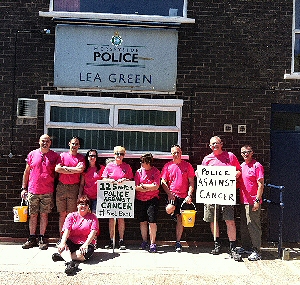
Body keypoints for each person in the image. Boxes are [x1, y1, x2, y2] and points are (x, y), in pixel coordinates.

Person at [201, 136, 241, 256]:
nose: (215, 145)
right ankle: (217, 244)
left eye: (217, 143)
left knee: (230, 220)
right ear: (209, 146)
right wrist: (199, 173)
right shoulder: (207, 159)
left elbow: (239, 171)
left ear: (221, 144)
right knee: (213, 220)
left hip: (226, 194)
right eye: (212, 144)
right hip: (211, 194)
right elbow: (202, 174)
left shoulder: (230, 156)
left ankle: (233, 247)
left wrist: (235, 175)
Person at [21, 134, 59, 250]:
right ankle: (32, 238)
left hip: (47, 191)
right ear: (39, 141)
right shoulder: (32, 154)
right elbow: (26, 172)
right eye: (43, 141)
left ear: (50, 143)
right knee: (33, 215)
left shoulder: (54, 156)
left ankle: (42, 238)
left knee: (44, 214)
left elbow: (56, 173)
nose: (45, 143)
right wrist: (24, 188)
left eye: (47, 141)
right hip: (33, 190)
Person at [52, 195, 99, 275]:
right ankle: (70, 263)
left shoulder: (93, 217)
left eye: (86, 204)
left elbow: (93, 232)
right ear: (77, 205)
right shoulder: (71, 216)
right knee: (60, 244)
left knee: (83, 254)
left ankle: (64, 256)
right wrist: (63, 242)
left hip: (85, 243)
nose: (83, 206)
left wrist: (85, 244)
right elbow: (67, 230)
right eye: (81, 204)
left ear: (88, 207)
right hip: (72, 241)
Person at [161, 145, 195, 252]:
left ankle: (178, 242)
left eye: (178, 152)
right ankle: (173, 215)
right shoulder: (167, 166)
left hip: (184, 197)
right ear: (171, 154)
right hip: (173, 196)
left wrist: (189, 195)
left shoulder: (187, 166)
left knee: (180, 220)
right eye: (174, 153)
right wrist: (169, 194)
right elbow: (163, 181)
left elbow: (191, 182)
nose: (176, 154)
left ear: (181, 153)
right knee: (169, 209)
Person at [101, 146, 133, 250]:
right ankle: (112, 240)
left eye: (121, 154)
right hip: (111, 196)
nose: (119, 156)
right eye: (117, 153)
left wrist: (124, 180)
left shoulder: (127, 167)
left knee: (121, 218)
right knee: (111, 218)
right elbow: (103, 178)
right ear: (114, 154)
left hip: (122, 196)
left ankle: (121, 240)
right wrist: (109, 180)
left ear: (124, 155)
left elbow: (131, 180)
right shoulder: (109, 166)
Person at [55, 136, 85, 241]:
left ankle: (70, 238)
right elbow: (57, 168)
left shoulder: (81, 158)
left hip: (74, 187)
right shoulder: (63, 156)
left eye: (76, 144)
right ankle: (61, 237)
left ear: (79, 146)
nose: (74, 146)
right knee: (62, 214)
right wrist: (73, 170)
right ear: (69, 144)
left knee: (71, 214)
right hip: (61, 187)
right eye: (73, 143)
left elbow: (80, 170)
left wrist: (65, 169)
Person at [239, 144, 264, 261]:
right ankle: (246, 247)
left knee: (253, 226)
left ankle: (257, 251)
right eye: (243, 152)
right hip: (243, 201)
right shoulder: (242, 166)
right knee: (244, 225)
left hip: (253, 202)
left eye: (247, 152)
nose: (245, 154)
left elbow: (260, 185)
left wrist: (257, 201)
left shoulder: (257, 166)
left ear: (252, 152)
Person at [135, 153, 161, 253]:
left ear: (148, 162)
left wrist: (144, 187)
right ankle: (144, 241)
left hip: (152, 199)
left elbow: (156, 186)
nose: (141, 163)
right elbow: (136, 187)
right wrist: (148, 187)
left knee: (152, 222)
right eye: (141, 161)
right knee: (142, 221)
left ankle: (152, 243)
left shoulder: (155, 171)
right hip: (140, 199)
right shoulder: (138, 172)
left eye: (143, 161)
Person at [79, 149, 105, 214]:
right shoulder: (85, 170)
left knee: (94, 216)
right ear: (87, 157)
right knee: (86, 216)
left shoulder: (102, 169)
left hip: (97, 197)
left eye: (94, 156)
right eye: (90, 156)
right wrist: (80, 195)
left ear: (96, 157)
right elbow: (82, 184)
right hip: (87, 197)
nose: (92, 157)